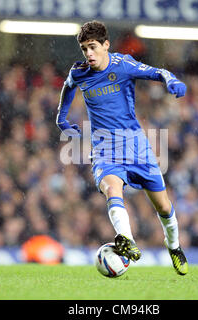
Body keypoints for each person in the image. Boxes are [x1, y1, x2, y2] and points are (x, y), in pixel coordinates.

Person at [56, 21, 188, 275]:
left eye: (93, 47)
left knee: (162, 206)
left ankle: (173, 246)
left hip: (137, 147)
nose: (89, 54)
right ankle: (126, 239)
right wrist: (61, 118)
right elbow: (68, 86)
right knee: (110, 187)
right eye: (84, 49)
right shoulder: (80, 72)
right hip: (105, 148)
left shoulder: (123, 65)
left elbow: (158, 72)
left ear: (106, 45)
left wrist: (171, 80)